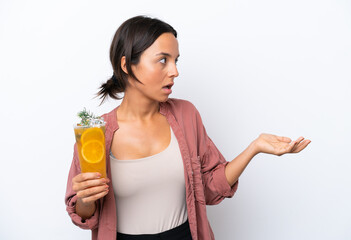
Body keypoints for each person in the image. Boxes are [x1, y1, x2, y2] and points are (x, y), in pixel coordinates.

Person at [65, 15, 311, 240]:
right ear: (127, 65)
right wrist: (86, 199)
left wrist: (254, 148)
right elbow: (84, 215)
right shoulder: (95, 133)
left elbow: (210, 188)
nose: (175, 71)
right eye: (163, 60)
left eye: (175, 60)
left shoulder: (186, 115)